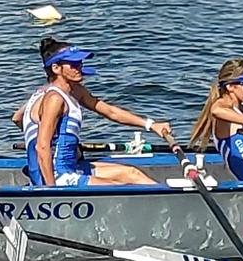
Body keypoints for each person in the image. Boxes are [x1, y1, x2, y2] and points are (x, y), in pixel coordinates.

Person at [18, 38, 169, 187]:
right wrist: (52, 192)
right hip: (58, 176)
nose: (80, 67)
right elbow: (42, 146)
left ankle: (168, 198)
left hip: (71, 167)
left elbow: (111, 112)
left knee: (131, 173)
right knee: (118, 187)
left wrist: (151, 125)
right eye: (73, 64)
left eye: (80, 63)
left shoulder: (71, 91)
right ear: (56, 68)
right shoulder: (54, 99)